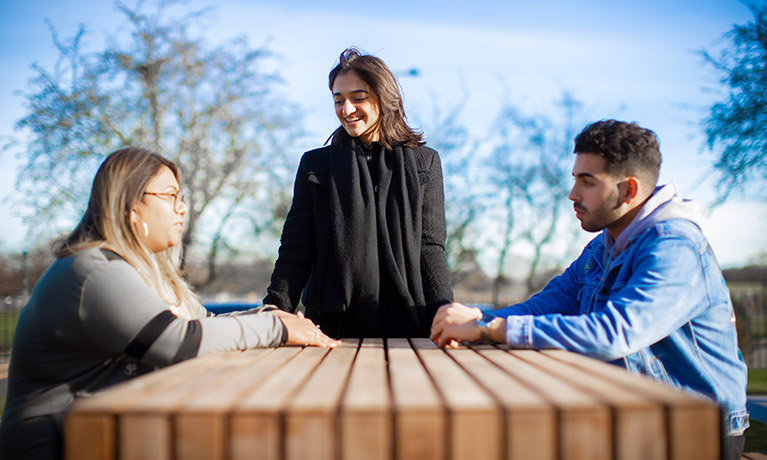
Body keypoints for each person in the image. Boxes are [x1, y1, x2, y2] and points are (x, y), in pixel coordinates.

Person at [430, 120, 749, 459]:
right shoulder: (604, 245)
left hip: (695, 433)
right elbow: (546, 305)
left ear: (628, 191)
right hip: (632, 417)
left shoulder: (674, 247)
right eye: (575, 180)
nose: (573, 194)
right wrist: (477, 320)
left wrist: (488, 328)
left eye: (588, 182)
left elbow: (615, 333)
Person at [0, 148, 337, 460]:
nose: (182, 207)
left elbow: (203, 321)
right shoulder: (93, 268)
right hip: (57, 444)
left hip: (109, 435)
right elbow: (178, 341)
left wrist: (271, 315)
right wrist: (276, 326)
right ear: (130, 204)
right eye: (170, 195)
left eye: (182, 196)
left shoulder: (137, 268)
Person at [263, 48, 453, 339]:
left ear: (383, 97)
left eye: (358, 98)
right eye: (338, 100)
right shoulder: (316, 165)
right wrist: (275, 310)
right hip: (331, 329)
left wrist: (445, 313)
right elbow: (296, 248)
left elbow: (430, 247)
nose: (346, 109)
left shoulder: (424, 163)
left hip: (411, 328)